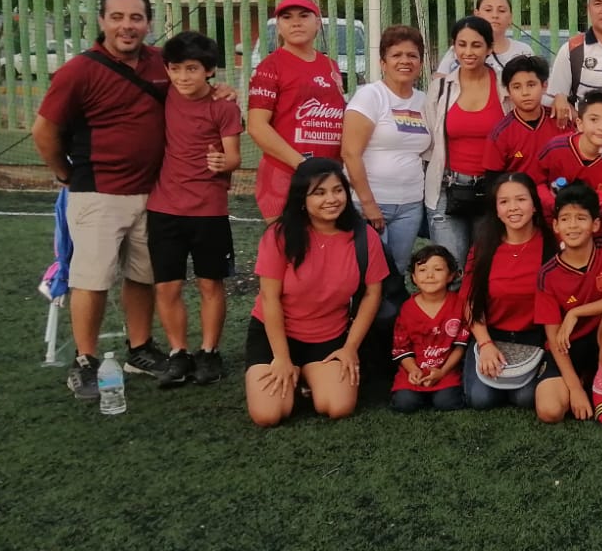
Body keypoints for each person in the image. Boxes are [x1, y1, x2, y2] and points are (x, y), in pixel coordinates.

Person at [34, 0, 176, 393]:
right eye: (117, 17)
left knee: (142, 274)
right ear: (101, 21)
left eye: (136, 17)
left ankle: (141, 348)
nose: (127, 26)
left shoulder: (161, 62)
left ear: (148, 23)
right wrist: (64, 174)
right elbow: (44, 130)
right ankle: (86, 358)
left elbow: (194, 86)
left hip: (153, 192)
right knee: (91, 280)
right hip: (97, 193)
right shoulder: (79, 70)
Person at [245, 158, 386, 427]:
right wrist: (282, 358)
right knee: (268, 415)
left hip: (328, 336)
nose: (331, 199)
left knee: (338, 407)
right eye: (319, 193)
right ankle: (294, 376)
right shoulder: (279, 236)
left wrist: (350, 348)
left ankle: (310, 379)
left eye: (337, 190)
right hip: (276, 335)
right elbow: (269, 298)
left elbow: (372, 294)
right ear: (302, 199)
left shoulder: (363, 237)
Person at [147, 30, 242, 387]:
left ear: (210, 71)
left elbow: (233, 157)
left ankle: (209, 352)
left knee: (209, 284)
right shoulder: (165, 94)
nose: (183, 77)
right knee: (167, 287)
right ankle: (178, 353)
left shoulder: (224, 105)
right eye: (176, 69)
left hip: (209, 210)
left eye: (192, 69)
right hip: (164, 209)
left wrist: (223, 163)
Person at [533, 181, 602, 424]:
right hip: (569, 350)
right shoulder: (547, 273)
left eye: (581, 218)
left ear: (596, 224)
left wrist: (575, 312)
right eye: (566, 219)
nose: (573, 225)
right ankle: (582, 383)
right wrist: (575, 391)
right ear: (556, 225)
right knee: (550, 412)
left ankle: (600, 391)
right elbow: (553, 337)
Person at [246, 0, 346, 222]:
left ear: (317, 22)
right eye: (287, 17)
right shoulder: (270, 66)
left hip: (328, 179)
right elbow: (257, 126)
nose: (296, 23)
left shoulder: (330, 66)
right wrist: (302, 165)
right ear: (279, 25)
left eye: (303, 15)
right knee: (292, 252)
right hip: (286, 177)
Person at [461, 172, 557, 411]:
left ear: (535, 205)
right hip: (493, 336)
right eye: (504, 202)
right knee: (480, 400)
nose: (513, 208)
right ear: (496, 209)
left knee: (526, 399)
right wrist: (484, 345)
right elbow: (470, 300)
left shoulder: (552, 244)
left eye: (521, 200)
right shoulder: (484, 246)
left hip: (535, 338)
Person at [341, 25, 431, 275]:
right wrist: (369, 204)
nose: (405, 61)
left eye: (412, 55)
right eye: (396, 55)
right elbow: (350, 153)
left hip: (410, 205)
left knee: (397, 272)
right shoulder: (370, 96)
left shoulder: (424, 101)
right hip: (369, 203)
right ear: (383, 62)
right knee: (369, 275)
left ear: (420, 63)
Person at [423, 15, 508, 263]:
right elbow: (429, 141)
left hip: (492, 189)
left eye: (476, 45)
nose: (468, 52)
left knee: (485, 269)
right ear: (454, 46)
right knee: (451, 268)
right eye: (462, 45)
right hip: (447, 190)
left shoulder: (505, 86)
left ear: (489, 48)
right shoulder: (440, 88)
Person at [531, 89, 602, 237]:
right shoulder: (555, 148)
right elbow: (536, 183)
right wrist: (554, 204)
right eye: (594, 119)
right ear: (580, 123)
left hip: (595, 234)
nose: (601, 127)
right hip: (553, 229)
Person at [389, 244, 467, 412]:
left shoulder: (459, 305)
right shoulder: (407, 308)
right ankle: (417, 392)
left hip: (446, 370)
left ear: (451, 275)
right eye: (422, 270)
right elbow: (401, 347)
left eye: (438, 269)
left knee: (446, 402)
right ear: (414, 278)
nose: (430, 275)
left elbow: (460, 346)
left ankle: (440, 393)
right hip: (415, 369)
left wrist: (442, 371)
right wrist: (413, 370)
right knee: (405, 403)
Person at [481, 55, 569, 175]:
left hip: (559, 192)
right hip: (520, 193)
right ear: (508, 91)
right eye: (517, 87)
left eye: (531, 85)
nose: (525, 93)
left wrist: (561, 96)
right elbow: (493, 180)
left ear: (544, 86)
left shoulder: (561, 121)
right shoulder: (500, 133)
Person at [434, 0, 533, 75]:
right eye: (488, 10)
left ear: (510, 17)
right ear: (477, 14)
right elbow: (440, 82)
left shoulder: (523, 51)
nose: (495, 15)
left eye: (502, 11)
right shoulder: (459, 51)